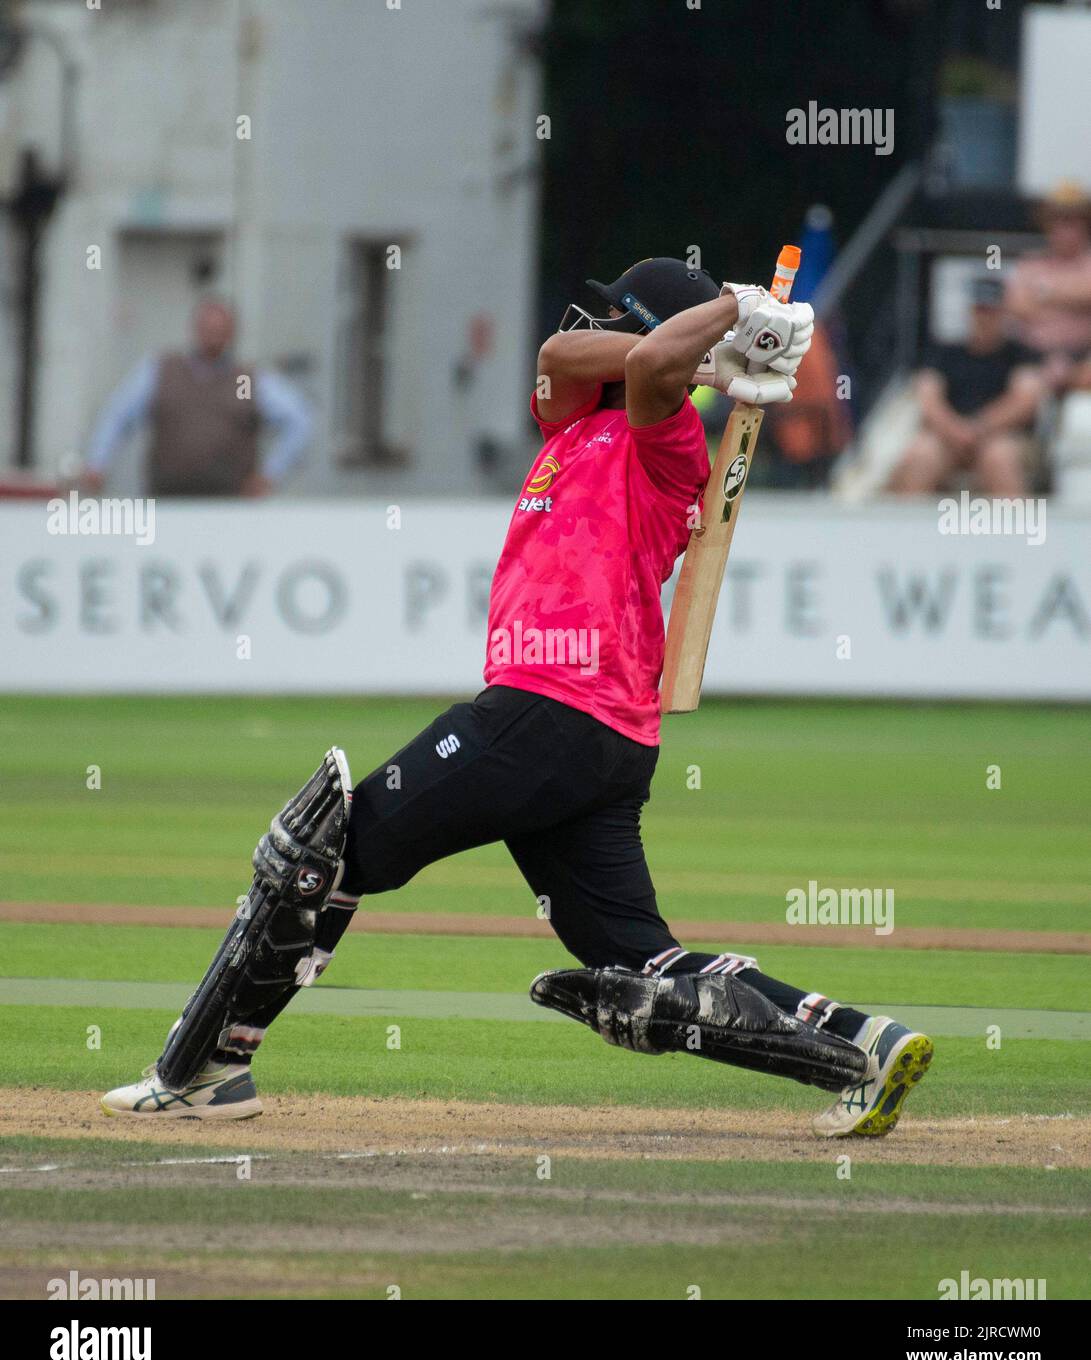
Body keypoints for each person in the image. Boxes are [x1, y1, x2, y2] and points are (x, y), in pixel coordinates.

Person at [102, 257, 932, 1139]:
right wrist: (716, 345)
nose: (591, 326)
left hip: (553, 706)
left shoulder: (667, 439)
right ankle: (862, 1048)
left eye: (617, 315)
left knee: (326, 850)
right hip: (594, 733)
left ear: (651, 333)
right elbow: (560, 353)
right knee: (637, 964)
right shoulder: (573, 417)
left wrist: (733, 311)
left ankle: (207, 1067)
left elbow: (649, 370)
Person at [85, 299, 312, 497]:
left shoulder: (244, 381)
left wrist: (269, 475)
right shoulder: (162, 371)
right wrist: (97, 464)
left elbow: (298, 420)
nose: (213, 335)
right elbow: (117, 416)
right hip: (167, 504)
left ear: (232, 333)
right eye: (208, 327)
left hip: (230, 508)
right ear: (195, 329)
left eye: (220, 329)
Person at [890, 277, 1041, 496]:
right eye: (980, 309)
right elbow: (928, 398)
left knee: (999, 457)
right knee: (921, 455)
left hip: (1004, 435)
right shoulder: (944, 352)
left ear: (1003, 312)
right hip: (948, 435)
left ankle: (1013, 526)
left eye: (991, 310)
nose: (984, 317)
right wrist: (955, 430)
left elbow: (1024, 401)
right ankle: (907, 528)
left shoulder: (1021, 354)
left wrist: (979, 428)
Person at [1005, 180, 1091, 395]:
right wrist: (1075, 306)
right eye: (1058, 221)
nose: (1065, 230)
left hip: (1083, 356)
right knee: (1018, 384)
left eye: (1072, 221)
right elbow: (1017, 305)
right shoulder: (1030, 263)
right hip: (1033, 357)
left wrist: (1045, 293)